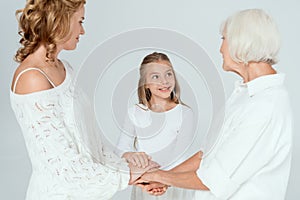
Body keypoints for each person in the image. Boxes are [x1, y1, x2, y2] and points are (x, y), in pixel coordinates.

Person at [136, 9, 293, 200]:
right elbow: (207, 155)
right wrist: (164, 178)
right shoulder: (245, 96)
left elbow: (214, 178)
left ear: (241, 42)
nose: (220, 48)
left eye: (223, 38)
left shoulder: (265, 106)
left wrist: (160, 176)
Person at [10, 0, 159, 199]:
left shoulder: (65, 69)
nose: (83, 31)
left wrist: (132, 168)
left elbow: (91, 147)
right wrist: (131, 175)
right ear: (60, 21)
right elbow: (67, 169)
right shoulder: (32, 79)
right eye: (80, 21)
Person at [115, 52, 196, 199]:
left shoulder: (184, 113)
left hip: (172, 184)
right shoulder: (135, 112)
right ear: (145, 83)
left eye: (168, 74)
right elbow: (121, 148)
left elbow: (180, 156)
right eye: (155, 76)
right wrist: (131, 156)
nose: (164, 81)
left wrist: (162, 181)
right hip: (145, 185)